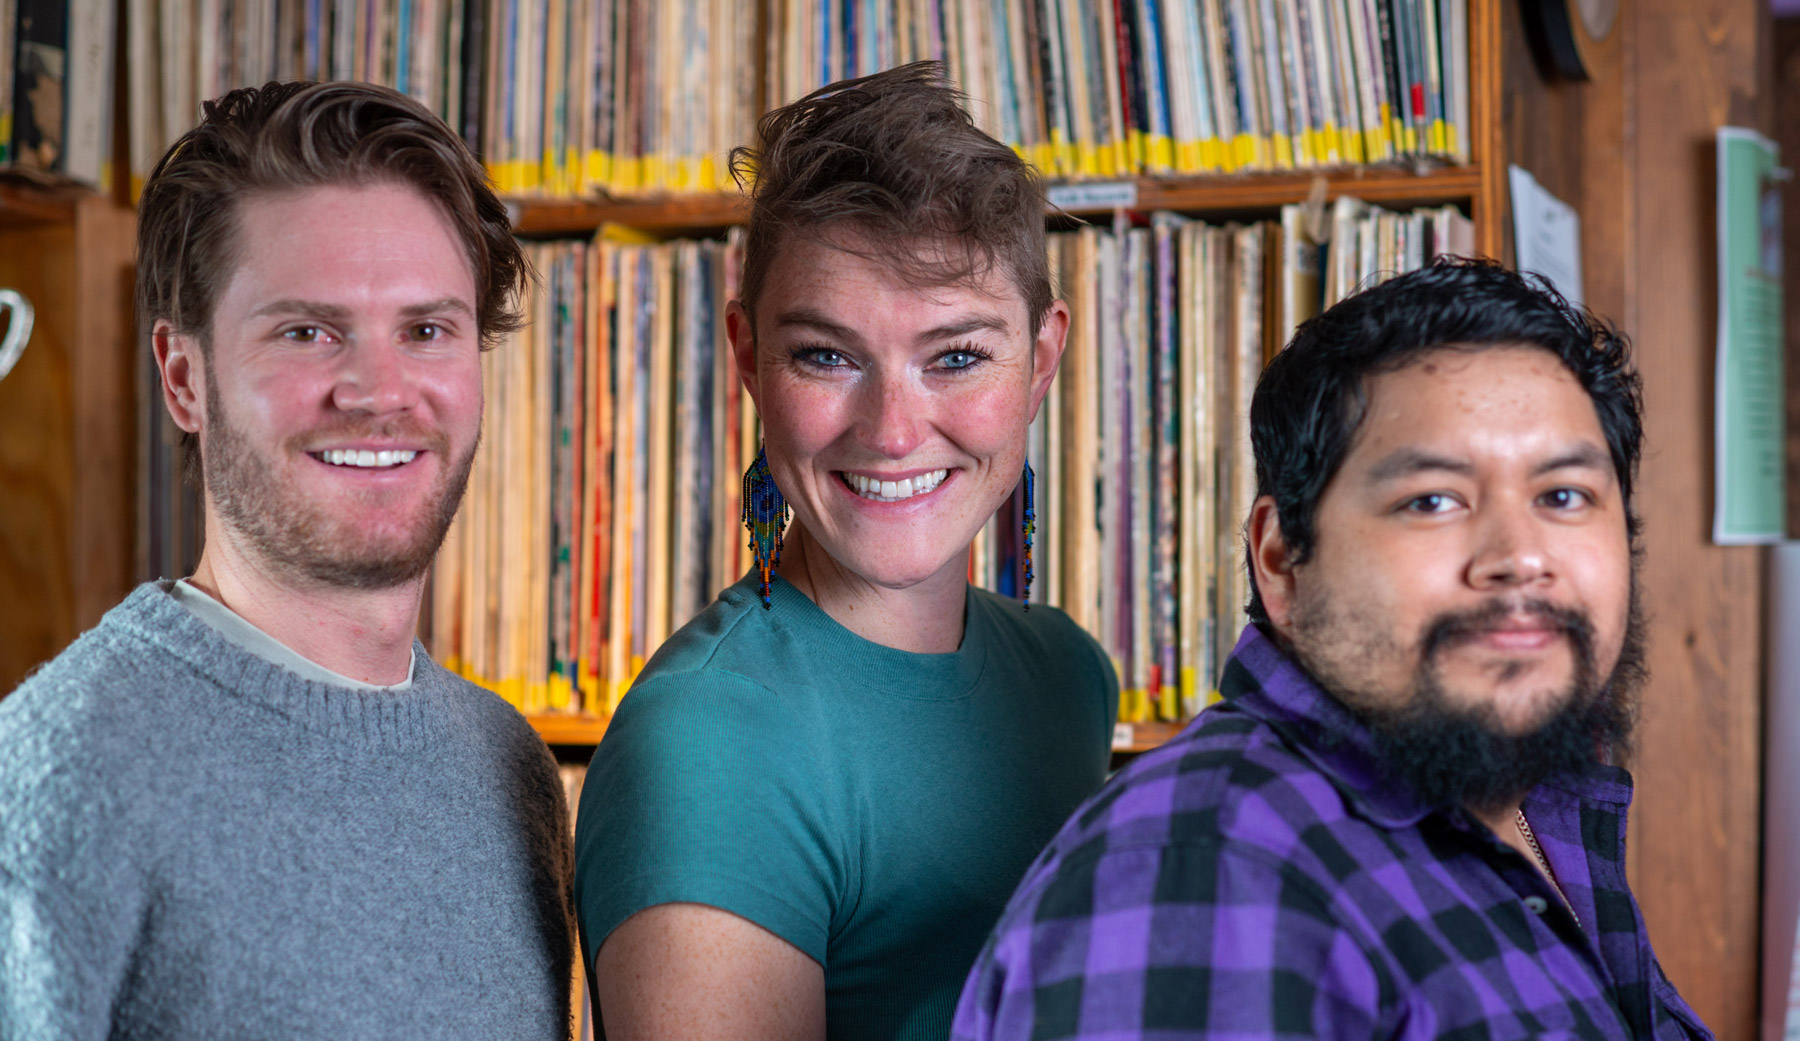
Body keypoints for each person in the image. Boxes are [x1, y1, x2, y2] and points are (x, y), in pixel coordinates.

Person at [953, 260, 1715, 1040]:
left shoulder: (1535, 805)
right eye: (1433, 499)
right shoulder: (1212, 873)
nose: (1520, 555)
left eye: (1563, 496)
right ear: (1282, 558)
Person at [0, 81, 573, 1038]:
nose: (378, 391)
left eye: (427, 330)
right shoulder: (56, 780)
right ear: (185, 377)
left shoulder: (503, 764)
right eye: (308, 332)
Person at [572, 62, 1119, 1041]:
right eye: (826, 355)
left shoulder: (1068, 674)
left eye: (956, 356)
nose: (894, 432)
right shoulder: (707, 745)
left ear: (1041, 359)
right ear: (747, 357)